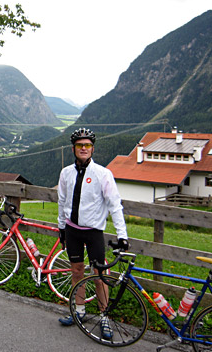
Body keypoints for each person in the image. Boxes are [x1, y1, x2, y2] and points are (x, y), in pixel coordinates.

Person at [57, 128, 129, 339]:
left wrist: (122, 235)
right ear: (74, 148)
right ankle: (79, 311)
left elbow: (115, 205)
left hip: (94, 232)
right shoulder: (66, 173)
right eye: (80, 145)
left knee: (99, 277)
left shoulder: (103, 174)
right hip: (72, 231)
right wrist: (61, 227)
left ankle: (104, 317)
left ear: (92, 148)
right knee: (77, 271)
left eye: (87, 145)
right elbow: (62, 201)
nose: (84, 148)